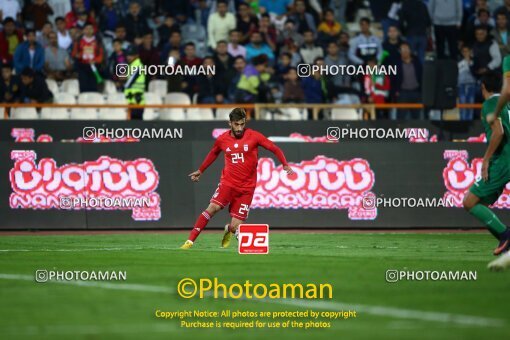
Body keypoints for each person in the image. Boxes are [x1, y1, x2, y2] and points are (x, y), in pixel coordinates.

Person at [180, 108, 294, 249]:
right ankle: (189, 241)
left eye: (242, 124)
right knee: (213, 207)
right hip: (228, 183)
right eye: (236, 124)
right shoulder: (222, 139)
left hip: (247, 188)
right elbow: (213, 154)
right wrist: (201, 170)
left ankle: (229, 230)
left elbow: (274, 148)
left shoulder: (254, 136)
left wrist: (285, 164)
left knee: (235, 226)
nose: (239, 128)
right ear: (230, 123)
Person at [463, 72, 510, 265]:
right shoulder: (507, 103)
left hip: (503, 160)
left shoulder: (490, 104)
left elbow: (498, 133)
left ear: (483, 87)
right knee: (479, 202)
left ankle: (506, 235)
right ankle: (504, 238)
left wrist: (486, 160)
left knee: (470, 201)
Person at [71, 23, 104, 92]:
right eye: (86, 29)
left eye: (90, 28)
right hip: (82, 67)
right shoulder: (79, 41)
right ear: (83, 31)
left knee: (93, 87)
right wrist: (80, 55)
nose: (88, 30)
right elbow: (74, 53)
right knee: (83, 86)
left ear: (93, 30)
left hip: (94, 67)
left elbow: (101, 55)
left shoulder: (98, 41)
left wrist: (95, 60)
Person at [123, 46, 145, 120]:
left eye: (131, 55)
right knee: (133, 127)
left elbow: (129, 83)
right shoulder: (131, 66)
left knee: (136, 126)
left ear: (136, 55)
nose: (129, 57)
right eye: (128, 55)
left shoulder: (138, 65)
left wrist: (121, 81)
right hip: (131, 100)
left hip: (137, 100)